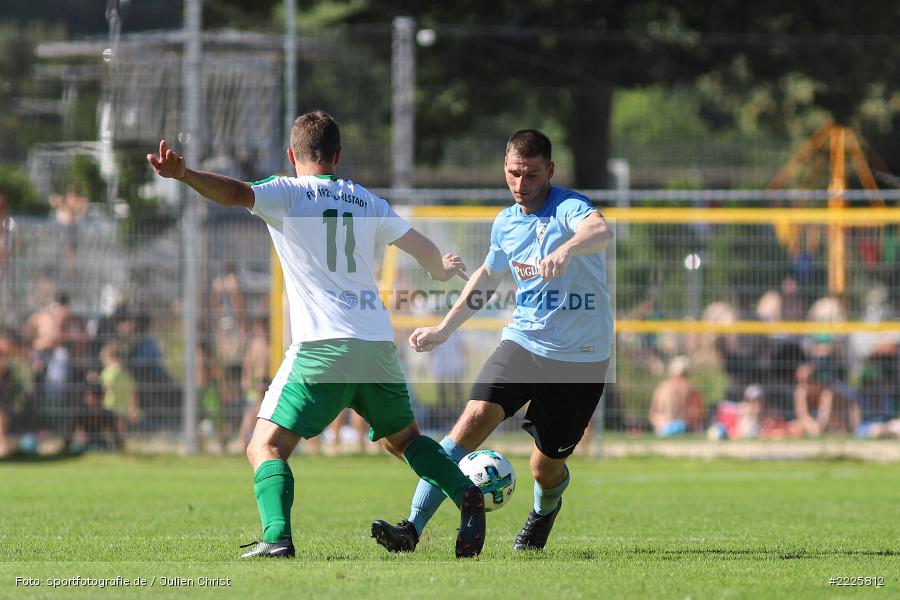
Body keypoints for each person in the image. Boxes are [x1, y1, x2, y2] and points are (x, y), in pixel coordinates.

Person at [147, 110, 486, 559]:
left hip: (322, 348)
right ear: (338, 156)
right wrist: (442, 268)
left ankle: (277, 538)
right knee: (405, 441)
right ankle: (467, 494)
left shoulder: (287, 192)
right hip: (376, 346)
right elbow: (426, 254)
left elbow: (235, 192)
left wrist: (185, 174)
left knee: (264, 446)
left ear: (292, 155)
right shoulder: (367, 200)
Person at [371, 129, 614, 553]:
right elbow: (486, 278)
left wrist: (568, 249)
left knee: (545, 468)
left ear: (550, 171)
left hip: (580, 359)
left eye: (532, 175)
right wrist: (444, 330)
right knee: (472, 419)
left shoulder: (569, 208)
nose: (521, 185)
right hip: (522, 344)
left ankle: (543, 510)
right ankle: (410, 528)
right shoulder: (505, 223)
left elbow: (600, 230)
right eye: (513, 174)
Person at [648, 355, 706, 437]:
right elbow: (699, 413)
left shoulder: (662, 387)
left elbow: (653, 414)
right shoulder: (690, 388)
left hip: (662, 427)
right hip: (680, 427)